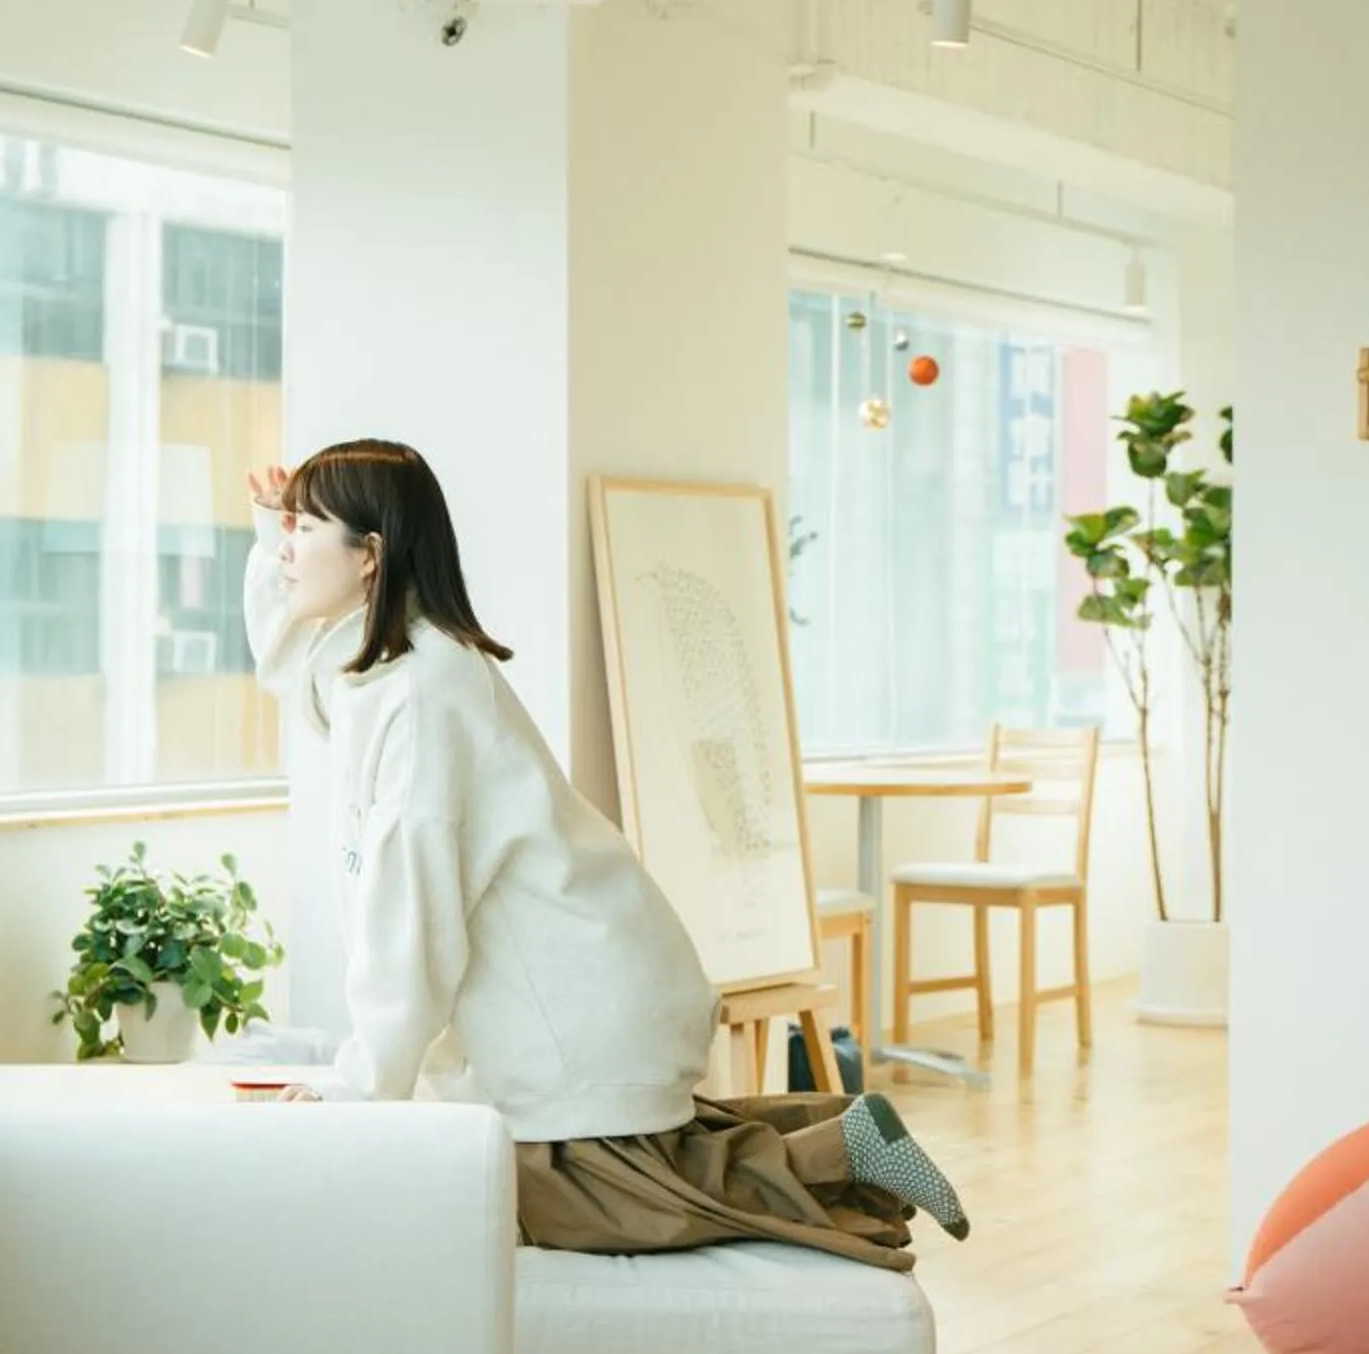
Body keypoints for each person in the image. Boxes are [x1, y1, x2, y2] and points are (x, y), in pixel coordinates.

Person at [243, 438, 968, 1271]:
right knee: (608, 1165)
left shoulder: (425, 689)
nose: (289, 548)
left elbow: (412, 917)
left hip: (583, 994)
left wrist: (360, 1086)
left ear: (370, 554)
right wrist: (272, 533)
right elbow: (291, 667)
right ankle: (841, 1134)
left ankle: (841, 1152)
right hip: (588, 980)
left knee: (581, 1200)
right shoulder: (383, 666)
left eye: (306, 529)